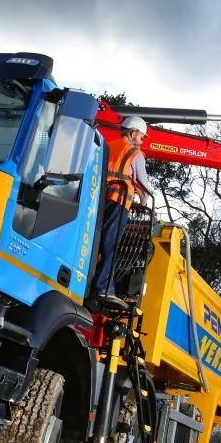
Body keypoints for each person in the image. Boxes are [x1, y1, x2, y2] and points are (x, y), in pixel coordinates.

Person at [93, 116, 150, 305]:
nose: (142, 142)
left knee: (95, 240)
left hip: (98, 199)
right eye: (142, 137)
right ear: (133, 133)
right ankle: (104, 287)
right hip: (119, 201)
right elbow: (143, 185)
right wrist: (143, 202)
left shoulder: (107, 146)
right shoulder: (135, 154)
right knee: (111, 244)